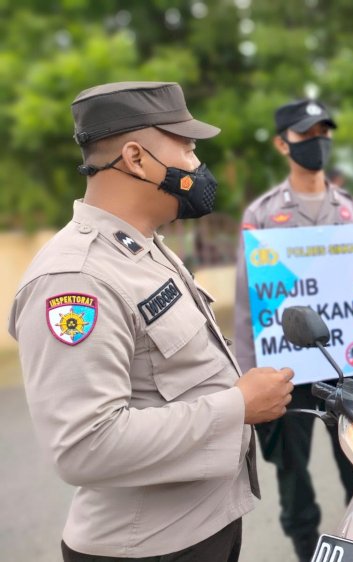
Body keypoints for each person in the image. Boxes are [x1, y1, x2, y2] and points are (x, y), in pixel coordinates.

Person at [8, 81, 295, 561]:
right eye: (184, 146)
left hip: (202, 528)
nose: (196, 163)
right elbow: (85, 445)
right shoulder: (75, 279)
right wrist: (236, 407)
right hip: (147, 550)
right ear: (136, 158)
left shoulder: (142, 246)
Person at [233, 99, 353, 561]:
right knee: (292, 473)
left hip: (343, 367)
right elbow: (249, 304)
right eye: (306, 135)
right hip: (284, 372)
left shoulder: (349, 210)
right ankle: (305, 551)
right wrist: (247, 374)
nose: (318, 142)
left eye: (324, 132)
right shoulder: (263, 214)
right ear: (281, 143)